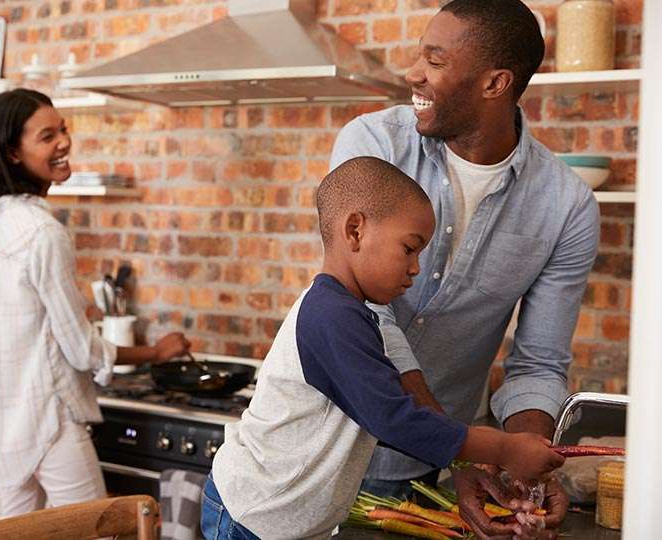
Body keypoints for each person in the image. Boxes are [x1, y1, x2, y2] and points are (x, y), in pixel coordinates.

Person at [329, 1, 600, 538]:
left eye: (434, 60)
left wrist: (526, 463)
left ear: (495, 83)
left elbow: (539, 363)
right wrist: (462, 451)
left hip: (433, 475)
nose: (412, 73)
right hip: (326, 457)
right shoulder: (375, 146)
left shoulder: (565, 205)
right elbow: (362, 314)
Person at [200, 156, 565, 540]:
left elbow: (389, 412)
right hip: (252, 517)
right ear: (355, 231)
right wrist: (504, 449)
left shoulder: (351, 313)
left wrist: (467, 459)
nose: (416, 268)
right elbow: (395, 419)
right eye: (409, 249)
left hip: (281, 520)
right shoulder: (331, 317)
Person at [0, 88, 190, 516]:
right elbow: (81, 349)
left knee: (18, 534)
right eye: (47, 136)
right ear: (12, 152)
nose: (64, 141)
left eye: (63, 129)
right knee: (95, 530)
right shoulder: (42, 233)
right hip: (47, 423)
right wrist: (155, 352)